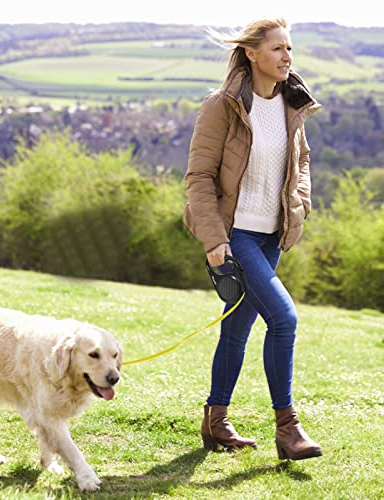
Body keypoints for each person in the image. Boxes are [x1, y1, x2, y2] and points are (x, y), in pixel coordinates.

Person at [183, 17, 322, 461]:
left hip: (270, 235)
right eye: (278, 49)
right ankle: (288, 428)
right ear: (252, 54)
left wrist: (298, 207)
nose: (287, 57)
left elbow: (300, 164)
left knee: (237, 327)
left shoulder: (292, 103)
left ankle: (215, 418)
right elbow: (199, 177)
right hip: (236, 233)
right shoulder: (222, 106)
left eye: (290, 49)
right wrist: (213, 238)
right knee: (283, 319)